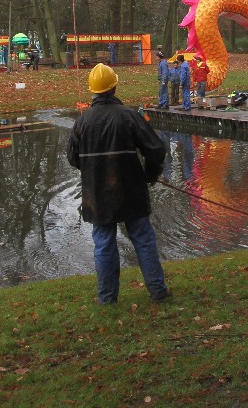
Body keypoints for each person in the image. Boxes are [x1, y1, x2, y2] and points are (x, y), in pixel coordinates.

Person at [66, 63, 170, 304]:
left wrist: (94, 171)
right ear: (114, 88)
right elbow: (156, 150)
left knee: (103, 243)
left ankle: (107, 298)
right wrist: (150, 175)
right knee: (143, 239)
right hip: (131, 190)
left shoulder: (82, 122)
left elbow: (73, 158)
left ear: (93, 91)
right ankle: (158, 292)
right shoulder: (128, 116)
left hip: (97, 194)